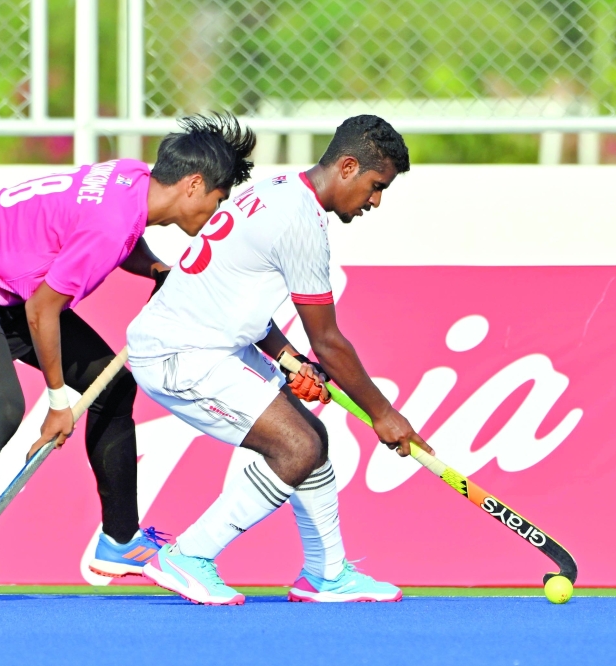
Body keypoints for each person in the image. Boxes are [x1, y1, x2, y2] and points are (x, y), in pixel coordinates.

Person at [0, 114, 256, 605]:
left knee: (114, 388)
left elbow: (124, 237)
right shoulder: (110, 224)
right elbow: (43, 307)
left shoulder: (132, 180)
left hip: (9, 289)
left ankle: (119, 542)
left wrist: (154, 268)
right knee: (1, 411)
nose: (218, 213)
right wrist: (58, 401)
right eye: (219, 199)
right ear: (194, 184)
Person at [126, 115, 434, 605]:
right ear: (348, 167)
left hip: (211, 344)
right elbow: (330, 342)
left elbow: (238, 299)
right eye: (377, 187)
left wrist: (290, 360)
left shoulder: (278, 190)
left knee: (313, 439)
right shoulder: (300, 221)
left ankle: (327, 574)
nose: (376, 201)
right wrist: (385, 415)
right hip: (181, 355)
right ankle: (189, 555)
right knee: (296, 448)